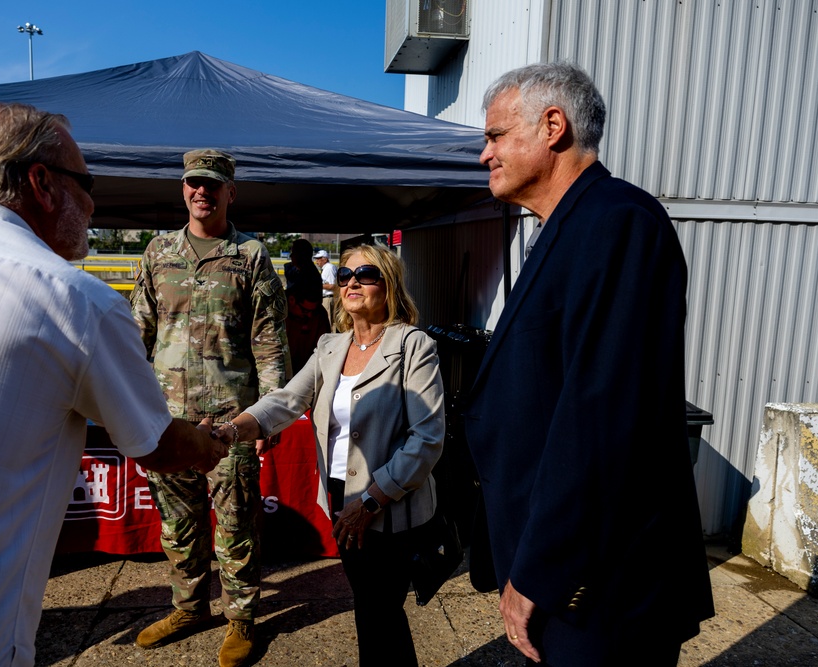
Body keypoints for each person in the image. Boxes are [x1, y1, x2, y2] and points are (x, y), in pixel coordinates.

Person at [0, 102, 225, 667]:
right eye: (88, 183)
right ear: (42, 183)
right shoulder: (75, 301)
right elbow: (158, 445)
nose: (93, 203)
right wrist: (212, 443)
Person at [463, 62, 715, 665]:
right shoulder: (566, 226)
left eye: (495, 135)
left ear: (553, 126)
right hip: (569, 576)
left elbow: (603, 420)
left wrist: (542, 574)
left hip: (598, 586)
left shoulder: (617, 223)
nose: (484, 154)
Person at [214, 244, 445, 666]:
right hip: (341, 497)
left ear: (388, 283)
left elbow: (427, 438)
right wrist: (230, 431)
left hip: (388, 503)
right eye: (344, 275)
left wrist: (373, 499)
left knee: (379, 608)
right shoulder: (329, 346)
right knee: (371, 606)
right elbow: (284, 401)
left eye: (366, 274)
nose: (352, 281)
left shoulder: (414, 345)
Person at [130, 149, 289, 666]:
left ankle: (241, 618)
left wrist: (271, 414)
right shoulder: (157, 253)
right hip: (166, 421)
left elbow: (269, 341)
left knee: (237, 523)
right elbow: (138, 334)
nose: (202, 192)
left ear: (230, 193)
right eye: (193, 183)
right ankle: (190, 607)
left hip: (231, 422)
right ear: (183, 189)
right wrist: (130, 403)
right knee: (179, 525)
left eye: (213, 185)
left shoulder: (251, 256)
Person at [284, 282, 331, 374]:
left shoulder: (319, 314)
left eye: (313, 311)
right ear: (291, 300)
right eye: (305, 311)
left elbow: (324, 348)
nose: (309, 315)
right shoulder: (275, 314)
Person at [314, 248, 338, 326]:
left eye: (318, 259)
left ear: (324, 259)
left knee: (329, 323)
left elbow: (332, 285)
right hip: (327, 298)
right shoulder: (326, 268)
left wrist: (317, 285)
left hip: (328, 298)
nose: (316, 261)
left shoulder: (329, 268)